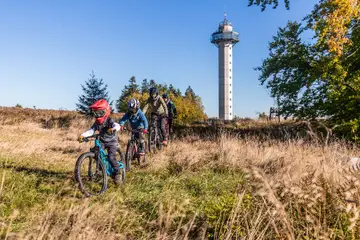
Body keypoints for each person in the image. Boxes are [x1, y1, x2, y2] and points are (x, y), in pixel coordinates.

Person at [78, 99, 121, 185]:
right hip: (102, 141)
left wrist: (113, 129)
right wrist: (83, 135)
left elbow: (117, 125)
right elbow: (91, 130)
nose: (97, 115)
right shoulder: (97, 122)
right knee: (96, 152)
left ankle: (117, 173)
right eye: (96, 113)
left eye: (100, 112)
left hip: (112, 142)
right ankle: (100, 170)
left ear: (106, 111)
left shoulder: (109, 120)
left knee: (111, 157)